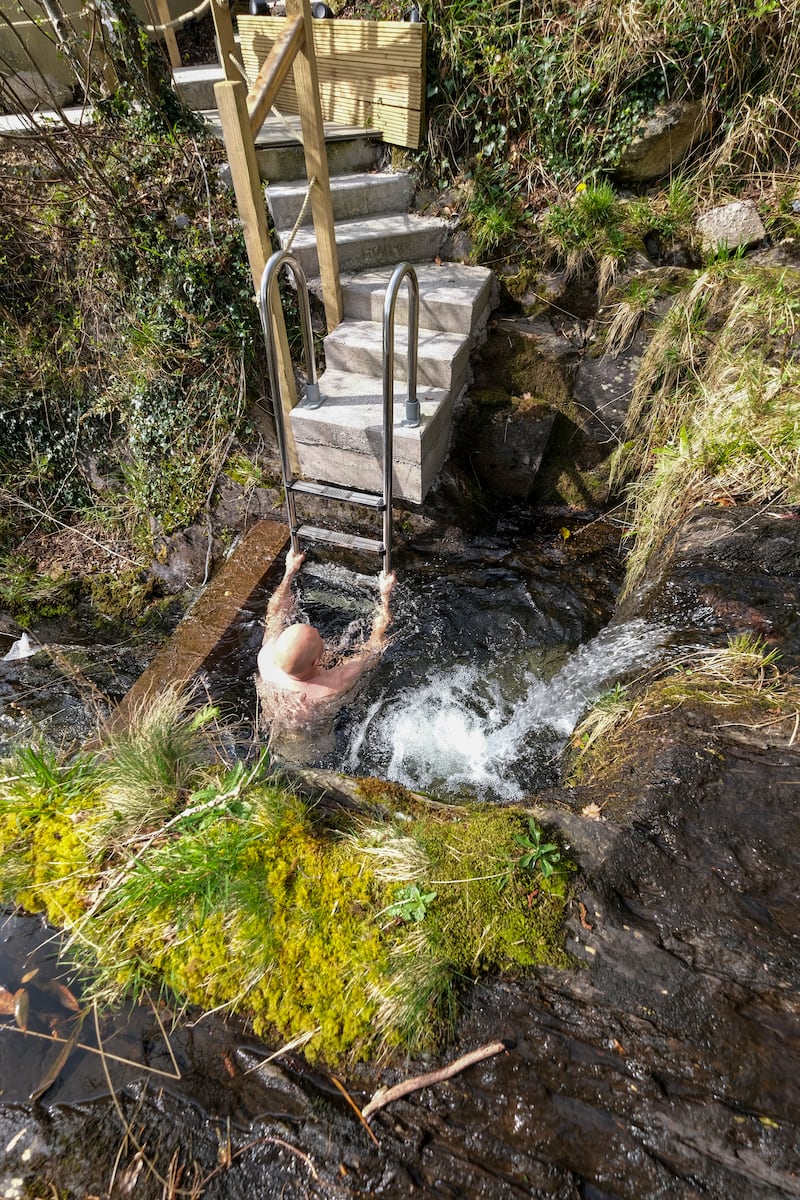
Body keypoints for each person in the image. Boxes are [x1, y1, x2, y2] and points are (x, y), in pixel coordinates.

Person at [255, 546, 396, 764]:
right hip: (315, 752)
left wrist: (289, 572)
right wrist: (385, 596)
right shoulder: (331, 687)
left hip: (274, 741)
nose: (322, 637)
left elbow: (274, 613)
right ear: (315, 661)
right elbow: (374, 648)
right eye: (319, 639)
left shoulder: (266, 660)